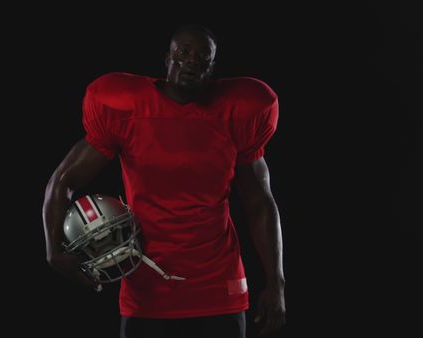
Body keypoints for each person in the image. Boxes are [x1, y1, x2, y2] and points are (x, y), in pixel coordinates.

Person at [43, 24, 285, 338]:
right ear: (167, 58)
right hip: (146, 287)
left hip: (217, 285)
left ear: (212, 68)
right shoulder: (128, 109)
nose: (192, 61)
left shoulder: (237, 114)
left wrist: (276, 282)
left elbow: (260, 203)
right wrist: (54, 251)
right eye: (183, 52)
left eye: (203, 57)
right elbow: (63, 180)